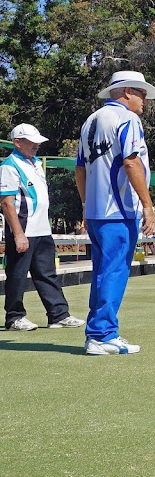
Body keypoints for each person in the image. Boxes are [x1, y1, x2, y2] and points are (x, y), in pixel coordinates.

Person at [75, 70, 155, 355]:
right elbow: (131, 161)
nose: (144, 101)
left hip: (98, 212)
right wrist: (147, 205)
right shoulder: (128, 119)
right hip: (119, 211)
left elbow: (80, 169)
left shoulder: (90, 121)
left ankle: (96, 333)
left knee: (101, 272)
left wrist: (86, 206)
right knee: (114, 272)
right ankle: (103, 334)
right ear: (127, 92)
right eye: (142, 94)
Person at [0, 123, 85, 331]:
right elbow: (6, 203)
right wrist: (18, 234)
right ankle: (14, 317)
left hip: (42, 230)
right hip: (23, 231)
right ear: (17, 142)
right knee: (17, 275)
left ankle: (58, 315)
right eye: (31, 141)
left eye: (37, 141)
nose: (36, 145)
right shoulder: (9, 167)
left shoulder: (36, 163)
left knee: (48, 274)